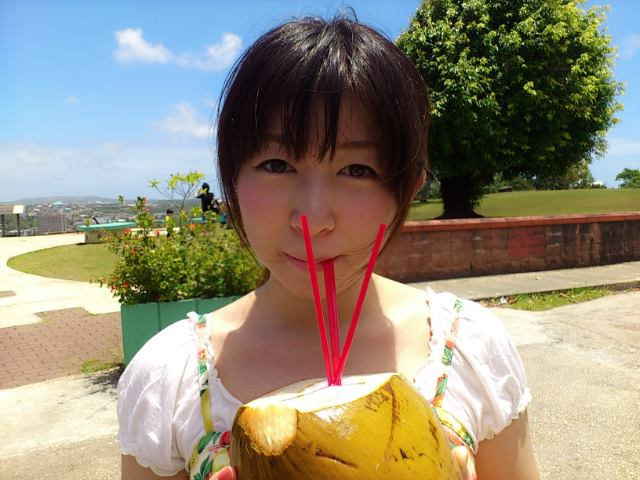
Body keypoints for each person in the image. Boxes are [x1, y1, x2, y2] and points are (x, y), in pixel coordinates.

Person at [118, 14, 539, 480]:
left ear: (408, 187)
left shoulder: (469, 349)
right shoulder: (171, 377)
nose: (313, 219)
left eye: (357, 170)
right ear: (231, 178)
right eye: (277, 164)